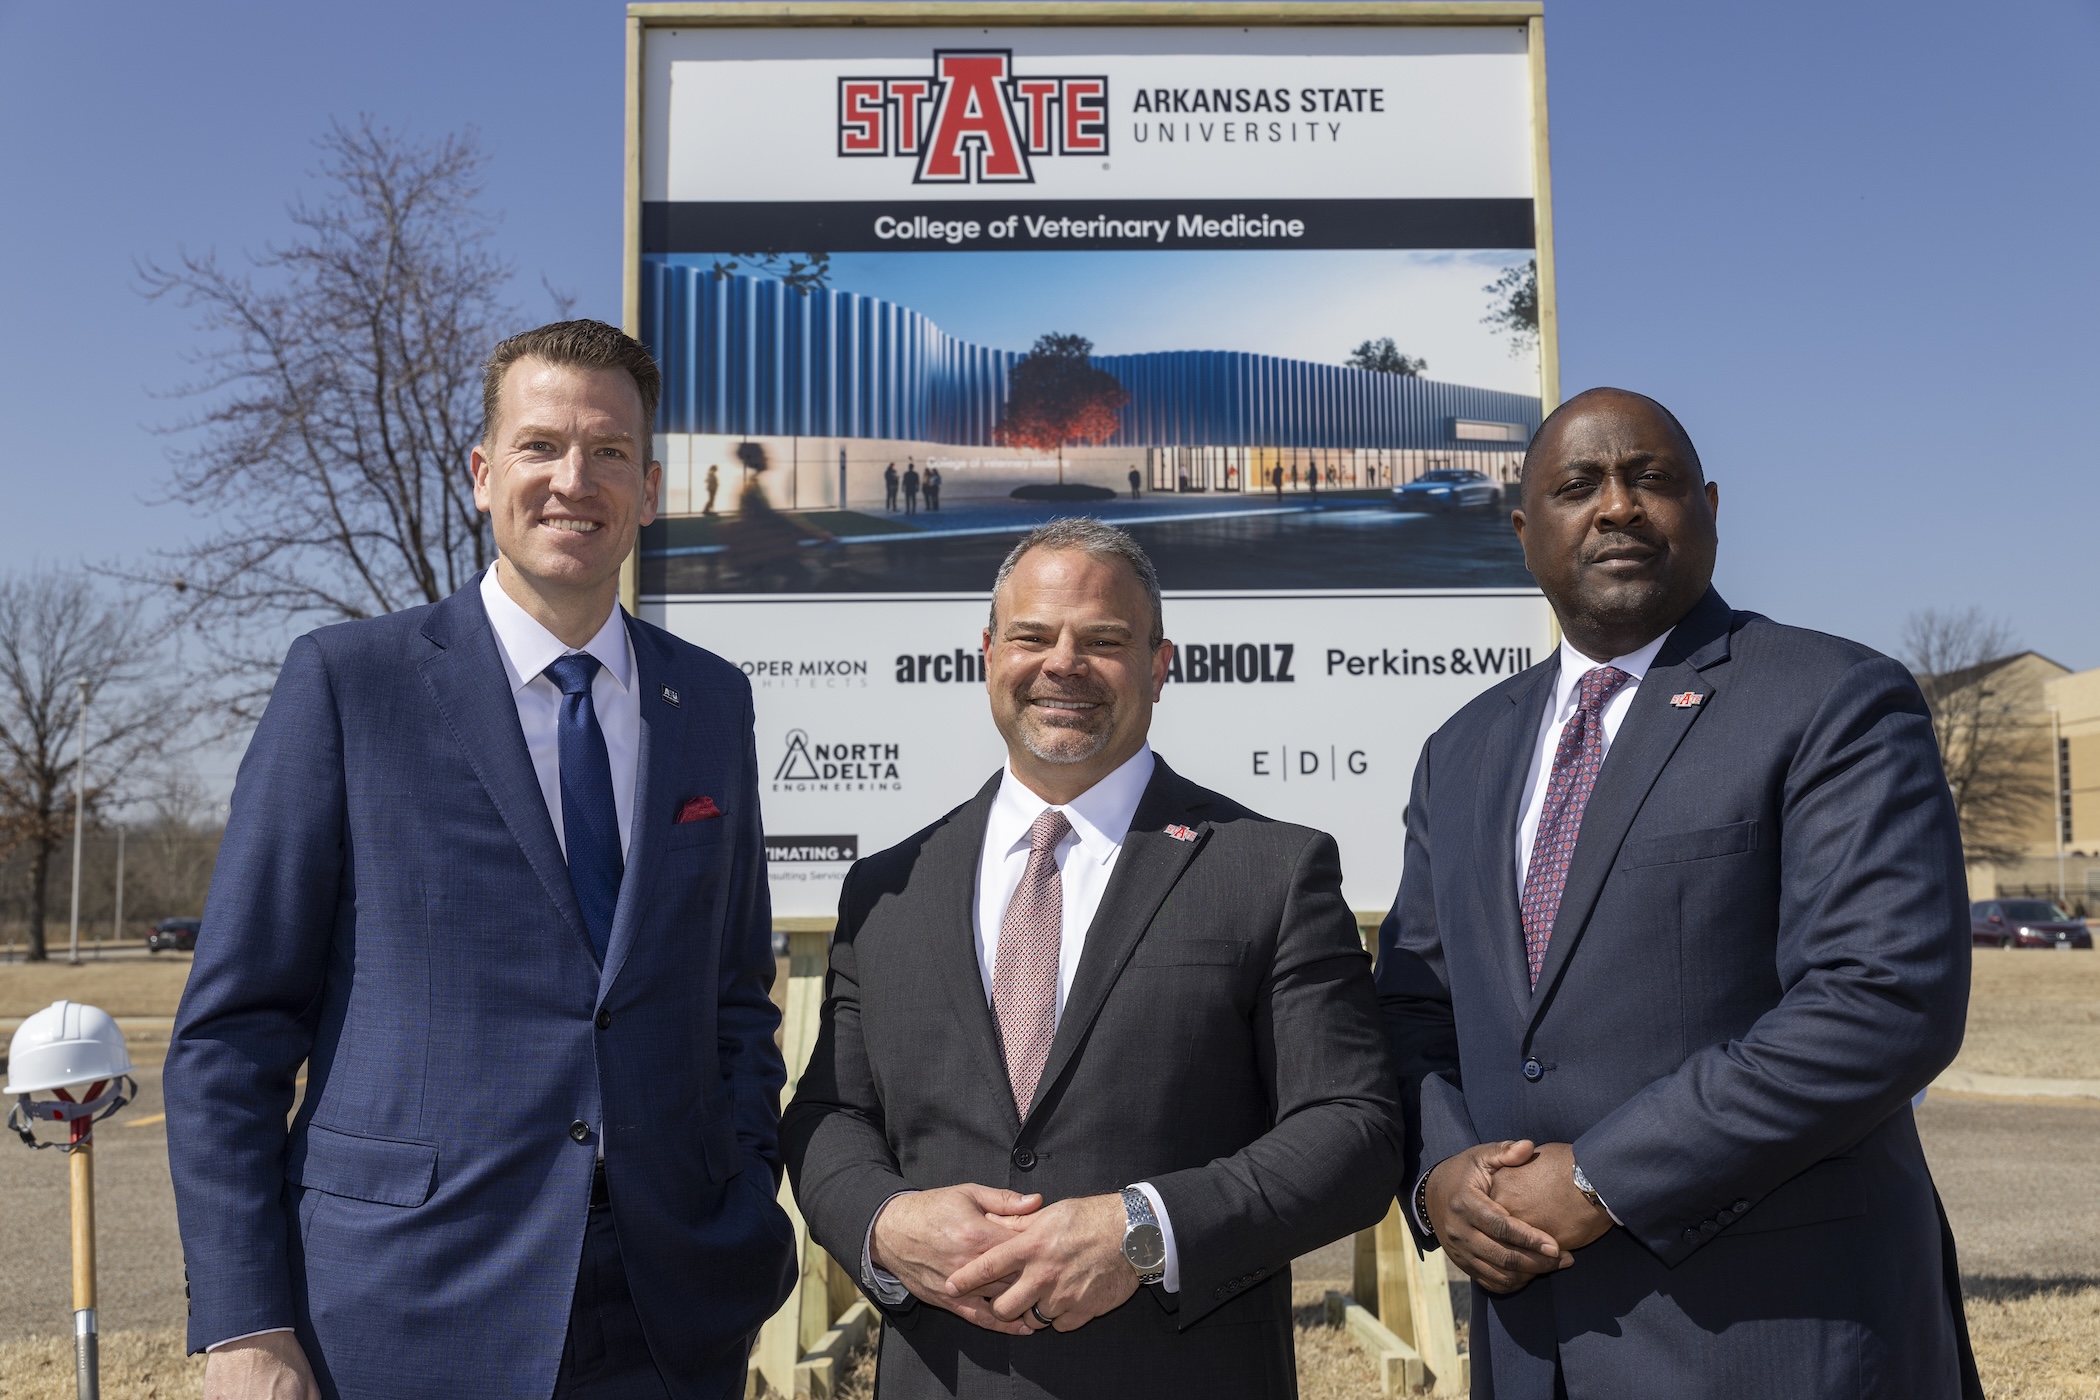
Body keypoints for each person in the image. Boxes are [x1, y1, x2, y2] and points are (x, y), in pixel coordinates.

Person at [166, 320, 798, 1400]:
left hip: (668, 1310)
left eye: (608, 452)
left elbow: (734, 996)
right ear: (481, 473)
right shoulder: (348, 685)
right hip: (404, 1307)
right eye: (540, 445)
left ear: (649, 489)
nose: (573, 480)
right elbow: (234, 1031)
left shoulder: (709, 700)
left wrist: (739, 1199)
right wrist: (246, 1321)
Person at [1377, 388, 1980, 1399]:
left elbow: (1883, 1000)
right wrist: (1442, 1176)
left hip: (1777, 1341)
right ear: (1525, 532)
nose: (1616, 506)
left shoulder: (1832, 699)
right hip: (1531, 1352)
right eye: (1577, 485)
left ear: (1709, 508)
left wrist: (1600, 1177)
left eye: (1650, 479)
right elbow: (1411, 1006)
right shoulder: (1462, 751)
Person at [784, 518, 1400, 1399]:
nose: (1063, 664)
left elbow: (1353, 1130)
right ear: (988, 656)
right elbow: (831, 1113)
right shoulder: (889, 889)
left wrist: (1145, 1230)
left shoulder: (1270, 870)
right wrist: (886, 1222)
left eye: (1104, 641)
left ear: (1159, 665)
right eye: (1032, 636)